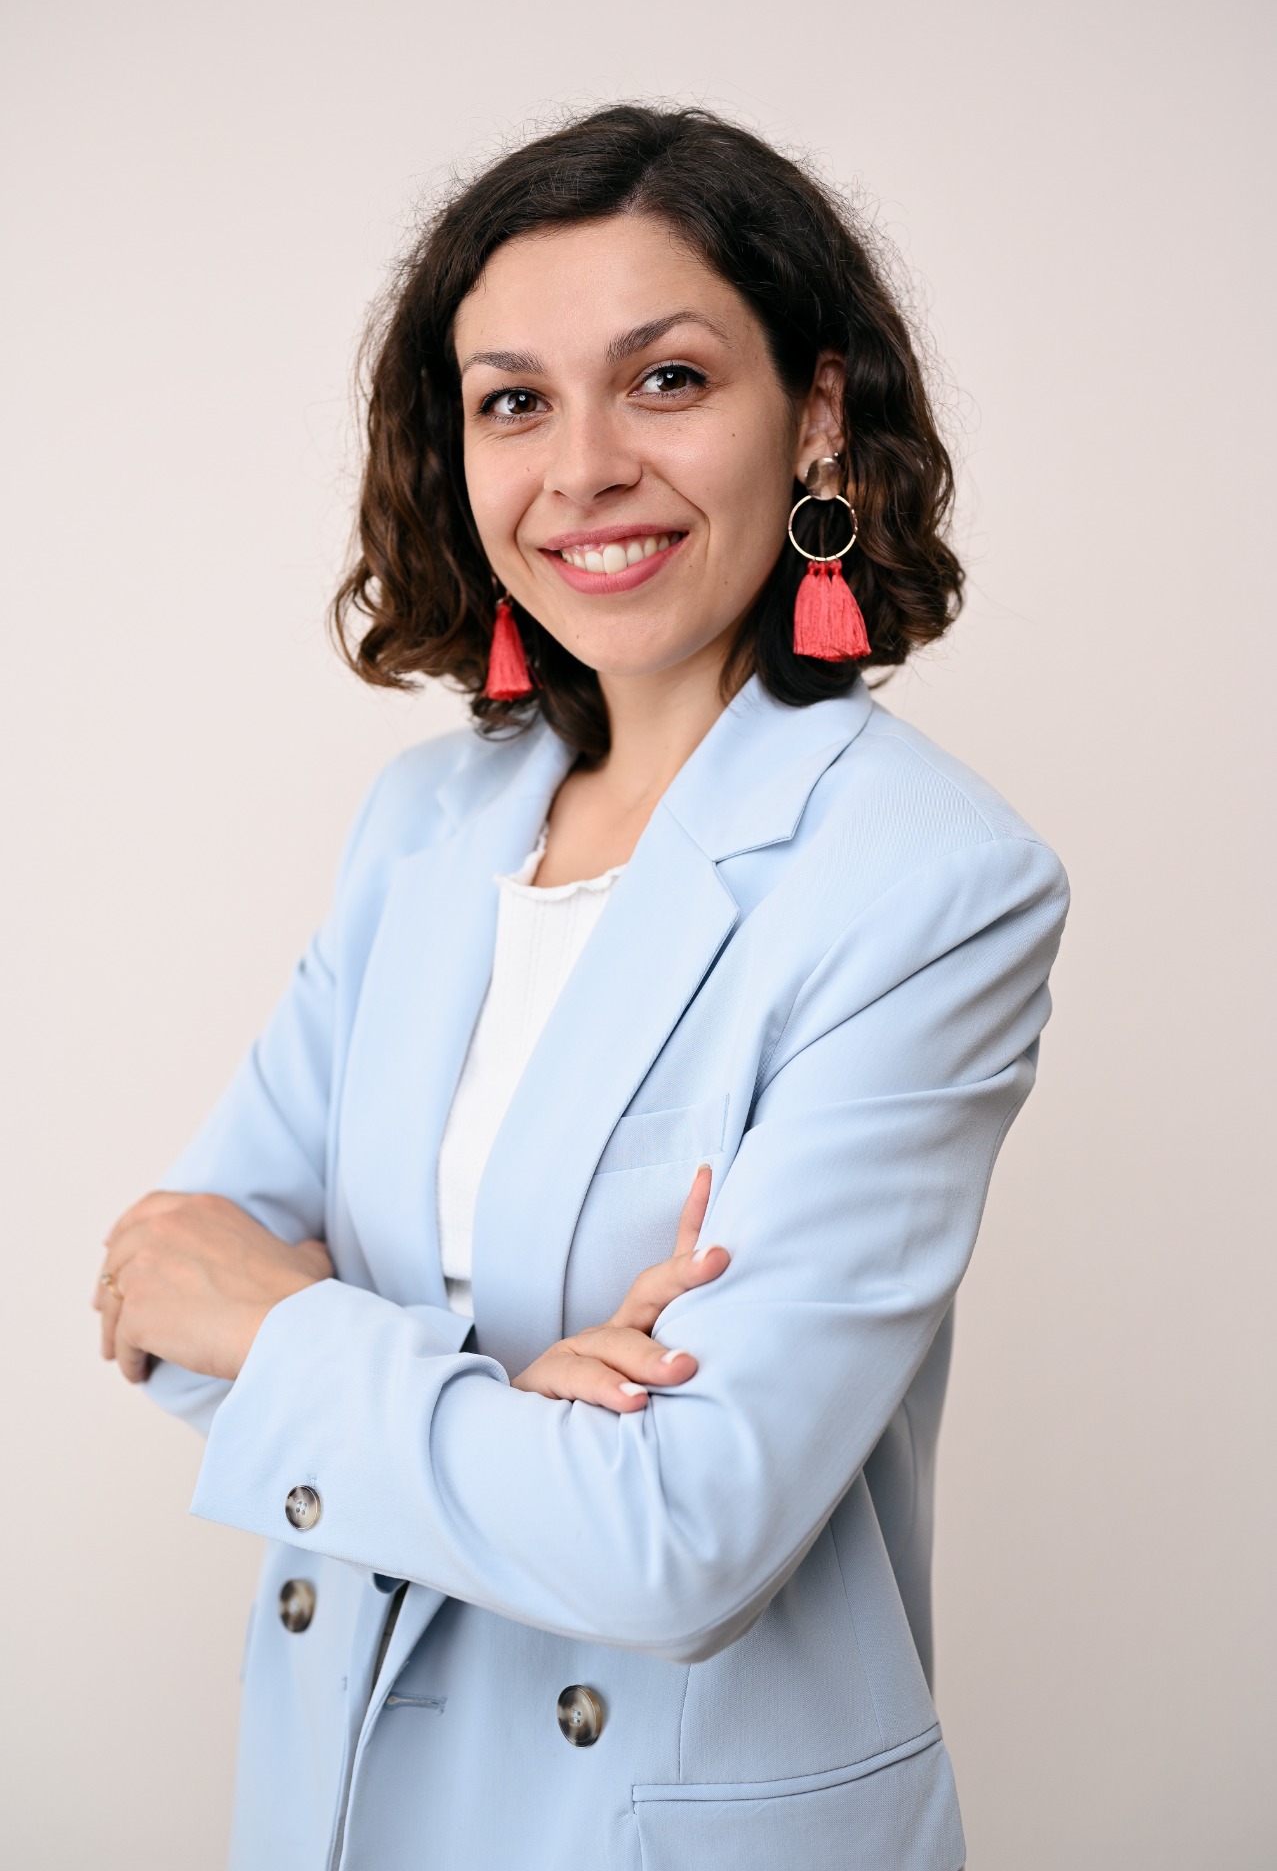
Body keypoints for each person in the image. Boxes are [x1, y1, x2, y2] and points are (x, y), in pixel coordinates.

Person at [93, 104, 1068, 1870]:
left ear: (817, 410)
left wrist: (306, 1332)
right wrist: (504, 1396)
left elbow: (675, 1540)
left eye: (665, 381)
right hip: (342, 1783)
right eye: (514, 401)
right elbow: (168, 1295)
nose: (584, 468)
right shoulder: (424, 824)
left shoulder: (926, 884)